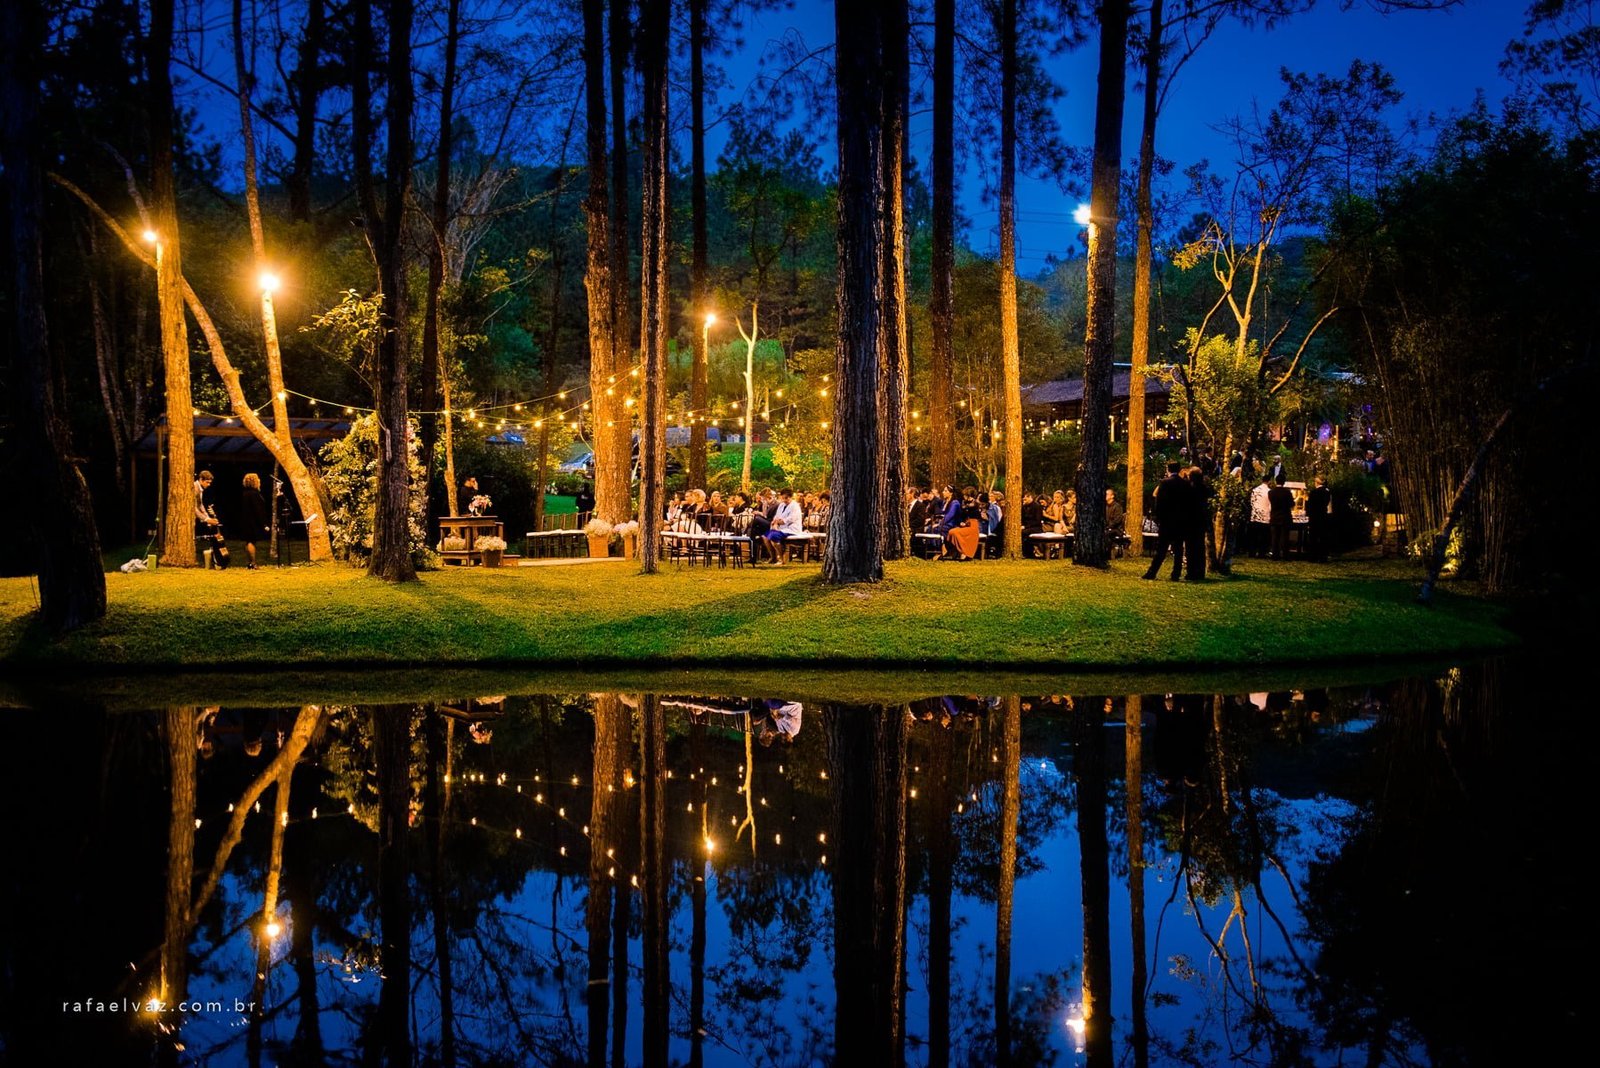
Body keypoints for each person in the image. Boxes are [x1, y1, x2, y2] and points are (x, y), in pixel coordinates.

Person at [1143, 462, 1188, 581]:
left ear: (1168, 469)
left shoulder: (1165, 483)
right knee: (1178, 550)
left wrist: (1159, 517)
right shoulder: (1184, 484)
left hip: (1167, 521)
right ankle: (1176, 574)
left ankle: (1152, 572)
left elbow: (1160, 502)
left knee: (1162, 548)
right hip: (1179, 521)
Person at [763, 488, 803, 562]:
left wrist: (780, 522)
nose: (784, 500)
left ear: (791, 497)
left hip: (792, 529)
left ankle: (781, 559)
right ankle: (773, 557)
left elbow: (791, 519)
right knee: (765, 537)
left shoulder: (795, 506)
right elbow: (777, 516)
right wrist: (774, 522)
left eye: (786, 498)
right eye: (783, 498)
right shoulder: (781, 505)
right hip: (781, 528)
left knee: (773, 537)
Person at [240, 472, 270, 570]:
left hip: (246, 520)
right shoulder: (254, 494)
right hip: (252, 522)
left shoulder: (245, 493)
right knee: (251, 541)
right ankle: (253, 563)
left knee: (249, 541)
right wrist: (264, 524)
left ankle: (250, 563)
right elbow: (258, 510)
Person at [1183, 467, 1209, 580]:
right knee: (1199, 547)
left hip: (1190, 520)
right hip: (1201, 521)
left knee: (1190, 547)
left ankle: (1191, 571)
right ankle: (1200, 571)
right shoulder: (1204, 489)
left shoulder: (1189, 489)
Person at [944, 490, 982, 560]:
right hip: (966, 524)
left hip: (973, 526)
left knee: (956, 532)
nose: (964, 497)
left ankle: (964, 552)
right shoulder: (964, 503)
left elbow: (974, 516)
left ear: (969, 496)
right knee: (951, 532)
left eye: (965, 495)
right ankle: (956, 551)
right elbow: (963, 515)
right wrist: (962, 522)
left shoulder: (975, 504)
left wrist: (966, 521)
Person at [1268, 475, 1295, 559]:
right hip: (1285, 516)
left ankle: (1275, 555)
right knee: (1285, 537)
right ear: (1284, 482)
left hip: (1275, 516)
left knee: (1275, 537)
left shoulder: (1271, 492)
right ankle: (1285, 554)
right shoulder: (1287, 492)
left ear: (1276, 481)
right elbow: (1292, 504)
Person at [1306, 474, 1332, 562]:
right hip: (1323, 516)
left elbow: (1309, 506)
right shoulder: (1327, 492)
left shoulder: (1313, 492)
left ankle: (1313, 556)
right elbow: (1327, 503)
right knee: (1323, 537)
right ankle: (1323, 557)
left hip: (1314, 517)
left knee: (1313, 537)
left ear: (1316, 483)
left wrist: (1308, 514)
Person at [1249, 474, 1272, 557]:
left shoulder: (1255, 490)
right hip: (1264, 516)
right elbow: (1270, 505)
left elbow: (1252, 502)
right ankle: (1262, 553)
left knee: (1253, 537)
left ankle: (1252, 552)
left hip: (1255, 515)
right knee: (1263, 537)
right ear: (1269, 481)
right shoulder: (1269, 491)